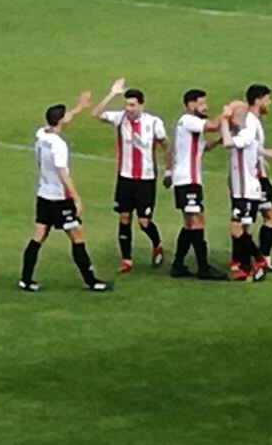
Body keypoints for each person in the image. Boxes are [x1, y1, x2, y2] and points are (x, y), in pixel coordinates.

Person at [19, 92, 109, 293]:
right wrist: (76, 198)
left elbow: (63, 119)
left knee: (38, 236)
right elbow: (63, 174)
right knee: (77, 237)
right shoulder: (59, 146)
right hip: (59, 199)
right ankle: (91, 280)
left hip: (43, 194)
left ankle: (25, 279)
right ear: (60, 121)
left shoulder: (41, 134)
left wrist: (79, 107)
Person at [91, 78, 169, 273]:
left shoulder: (153, 123)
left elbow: (166, 147)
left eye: (133, 105)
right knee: (124, 217)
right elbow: (96, 113)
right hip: (125, 177)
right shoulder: (120, 118)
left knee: (144, 222)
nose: (129, 109)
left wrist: (169, 170)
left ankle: (157, 244)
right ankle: (126, 260)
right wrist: (112, 94)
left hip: (145, 178)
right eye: (126, 104)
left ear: (141, 105)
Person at [162, 89, 228, 280]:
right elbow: (214, 124)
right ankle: (203, 267)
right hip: (187, 180)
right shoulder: (188, 120)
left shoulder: (191, 125)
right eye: (201, 103)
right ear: (191, 105)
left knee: (190, 223)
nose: (205, 107)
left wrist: (218, 142)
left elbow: (202, 148)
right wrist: (227, 113)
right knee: (196, 221)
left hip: (189, 180)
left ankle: (178, 265)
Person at [219, 100, 268, 282]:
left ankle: (259, 259)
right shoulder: (241, 130)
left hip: (248, 191)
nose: (231, 115)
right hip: (240, 190)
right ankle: (245, 268)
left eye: (233, 112)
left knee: (236, 229)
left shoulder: (247, 132)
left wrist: (224, 120)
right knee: (242, 230)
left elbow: (227, 143)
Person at [246, 84, 272, 271]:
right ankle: (255, 260)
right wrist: (266, 153)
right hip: (253, 178)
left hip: (258, 175)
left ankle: (259, 258)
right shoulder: (250, 121)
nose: (270, 103)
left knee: (266, 216)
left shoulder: (254, 120)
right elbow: (248, 145)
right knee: (253, 220)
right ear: (258, 100)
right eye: (268, 99)